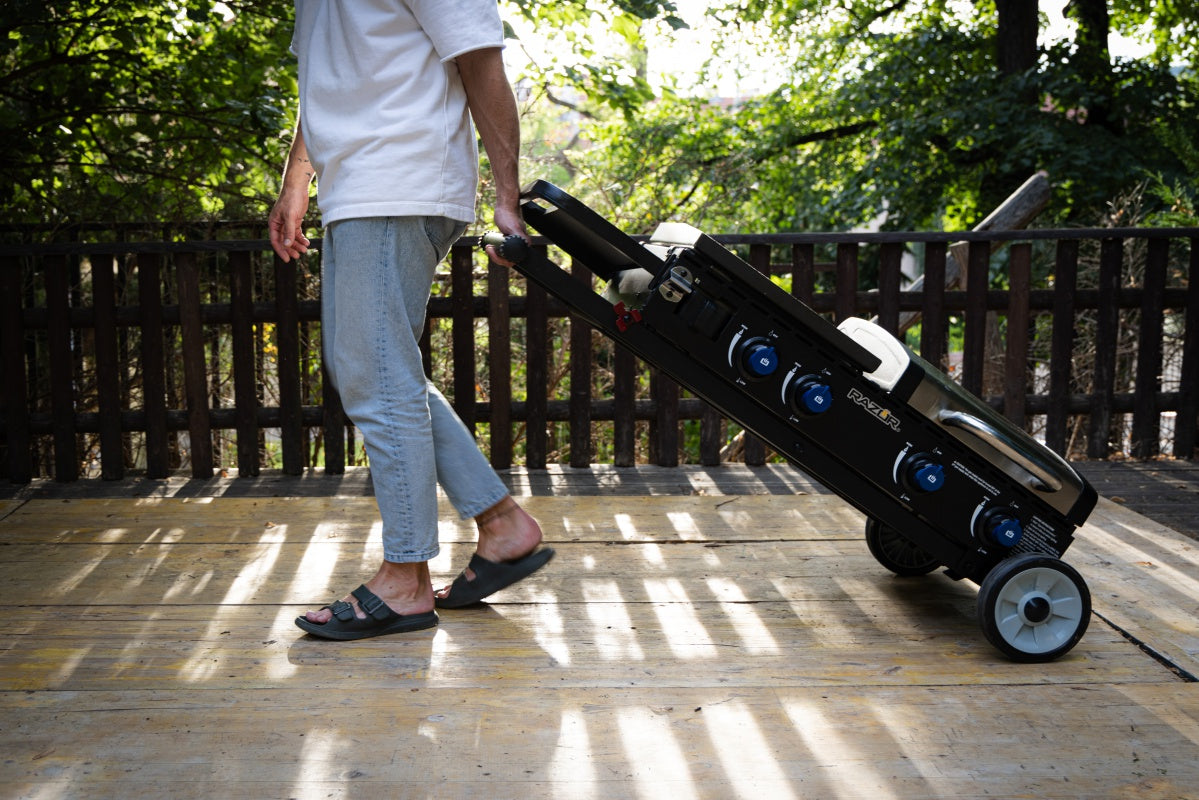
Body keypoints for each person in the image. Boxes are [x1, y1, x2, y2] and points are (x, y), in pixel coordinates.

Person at [268, 0, 553, 640]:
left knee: (379, 379)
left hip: (398, 176)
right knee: (373, 371)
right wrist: (299, 175)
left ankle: (405, 578)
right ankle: (501, 522)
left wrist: (506, 197)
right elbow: (332, 77)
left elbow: (480, 57)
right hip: (356, 184)